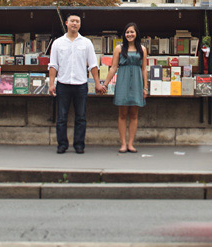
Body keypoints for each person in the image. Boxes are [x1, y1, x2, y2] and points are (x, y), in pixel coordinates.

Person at [48, 12, 104, 154]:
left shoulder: (86, 43)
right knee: (61, 117)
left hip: (80, 84)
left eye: (77, 21)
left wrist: (97, 83)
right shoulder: (58, 43)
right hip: (63, 83)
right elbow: (53, 65)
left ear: (80, 24)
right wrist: (51, 83)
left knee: (81, 116)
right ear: (66, 23)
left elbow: (93, 65)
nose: (74, 24)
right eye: (72, 21)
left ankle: (79, 144)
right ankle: (62, 144)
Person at [102, 22, 148, 153]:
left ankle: (131, 144)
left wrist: (145, 87)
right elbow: (113, 67)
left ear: (136, 33)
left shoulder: (142, 49)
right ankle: (122, 143)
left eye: (132, 32)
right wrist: (105, 84)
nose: (129, 34)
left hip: (137, 83)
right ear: (124, 34)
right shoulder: (119, 48)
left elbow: (144, 69)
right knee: (122, 114)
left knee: (134, 114)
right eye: (127, 32)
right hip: (123, 81)